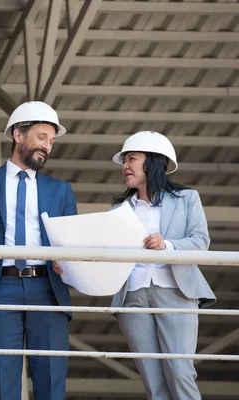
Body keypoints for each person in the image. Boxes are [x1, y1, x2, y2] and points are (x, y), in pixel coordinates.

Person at [0, 101, 77, 400]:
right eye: (41, 137)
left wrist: (70, 265)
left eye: (51, 141)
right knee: (1, 379)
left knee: (51, 382)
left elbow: (72, 242)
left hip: (48, 288)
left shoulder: (61, 190)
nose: (47, 146)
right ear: (18, 135)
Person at [109, 131, 216, 399]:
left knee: (180, 372)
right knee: (153, 383)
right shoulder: (118, 211)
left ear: (154, 162)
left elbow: (200, 241)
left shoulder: (187, 198)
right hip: (132, 296)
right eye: (124, 160)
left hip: (176, 293)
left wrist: (166, 246)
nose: (124, 166)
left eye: (131, 159)